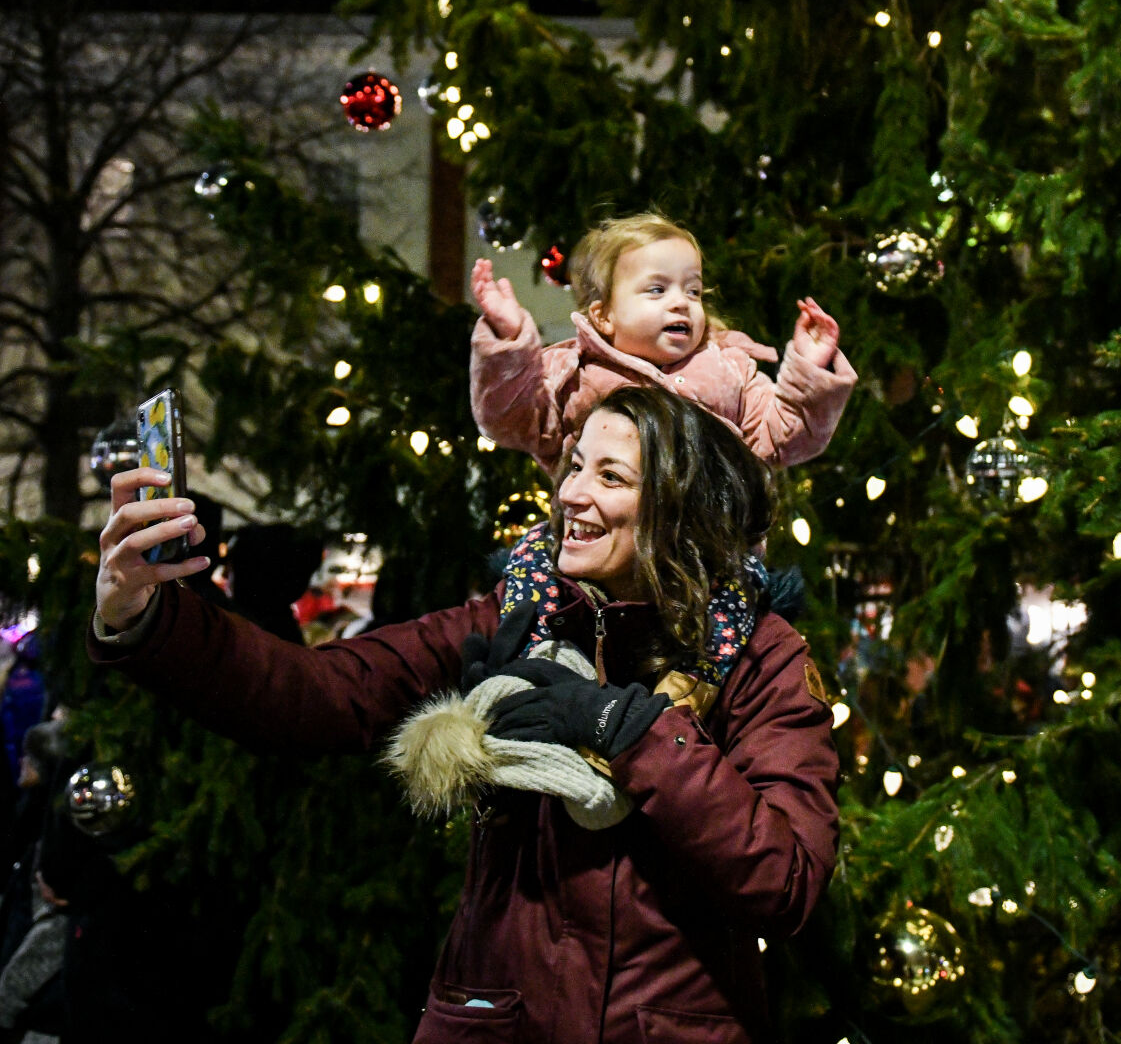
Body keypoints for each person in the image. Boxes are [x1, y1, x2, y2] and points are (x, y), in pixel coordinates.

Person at [88, 386, 839, 1044]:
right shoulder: (515, 617)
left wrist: (631, 732)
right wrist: (150, 616)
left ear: (680, 509)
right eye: (575, 464)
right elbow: (316, 693)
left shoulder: (760, 657)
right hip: (494, 1021)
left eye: (610, 477)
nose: (573, 494)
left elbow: (787, 879)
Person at [471, 211, 856, 479]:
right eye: (657, 289)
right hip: (601, 560)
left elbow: (785, 436)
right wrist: (508, 339)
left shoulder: (729, 369)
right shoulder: (575, 372)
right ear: (604, 316)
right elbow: (511, 418)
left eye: (693, 290)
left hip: (706, 561)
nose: (681, 302)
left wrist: (809, 367)